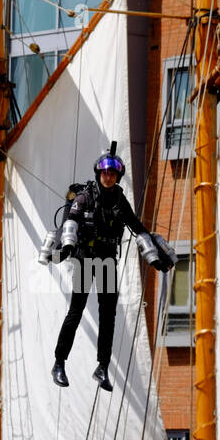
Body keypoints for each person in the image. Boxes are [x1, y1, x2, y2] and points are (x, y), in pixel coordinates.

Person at [51, 145, 171, 393]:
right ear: (99, 174)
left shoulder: (119, 199)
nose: (108, 177)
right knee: (76, 311)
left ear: (117, 177)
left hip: (107, 261)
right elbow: (71, 221)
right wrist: (66, 246)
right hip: (85, 259)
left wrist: (157, 258)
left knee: (108, 316)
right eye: (105, 173)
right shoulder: (86, 196)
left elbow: (138, 228)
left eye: (113, 174)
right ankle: (59, 363)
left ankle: (102, 367)